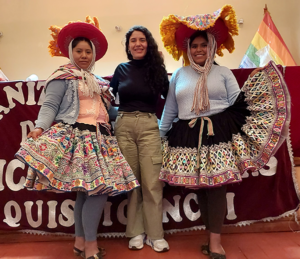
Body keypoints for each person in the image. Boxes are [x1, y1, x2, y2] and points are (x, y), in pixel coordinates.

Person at [158, 5, 290, 259]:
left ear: (212, 47)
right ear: (188, 49)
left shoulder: (223, 72)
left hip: (217, 133)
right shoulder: (179, 75)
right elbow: (170, 110)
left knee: (216, 186)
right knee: (201, 187)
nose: (198, 50)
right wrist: (161, 136)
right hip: (185, 136)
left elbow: (238, 104)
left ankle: (215, 241)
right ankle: (209, 236)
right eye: (194, 46)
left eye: (203, 45)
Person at [15, 16, 139, 259]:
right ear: (71, 53)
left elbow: (106, 111)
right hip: (77, 137)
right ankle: (90, 246)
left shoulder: (98, 82)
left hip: (101, 140)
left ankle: (80, 243)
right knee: (95, 191)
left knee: (88, 191)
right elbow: (50, 105)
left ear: (93, 55)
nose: (83, 55)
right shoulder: (62, 76)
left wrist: (131, 109)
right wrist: (40, 127)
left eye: (87, 51)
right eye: (78, 51)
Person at [110, 25, 170, 252]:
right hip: (124, 126)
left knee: (152, 182)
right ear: (128, 46)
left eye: (141, 40)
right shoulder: (121, 69)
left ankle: (155, 234)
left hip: (149, 126)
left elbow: (171, 99)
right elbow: (107, 98)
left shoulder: (158, 70)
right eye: (133, 40)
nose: (137, 44)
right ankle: (136, 232)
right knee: (132, 181)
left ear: (149, 43)